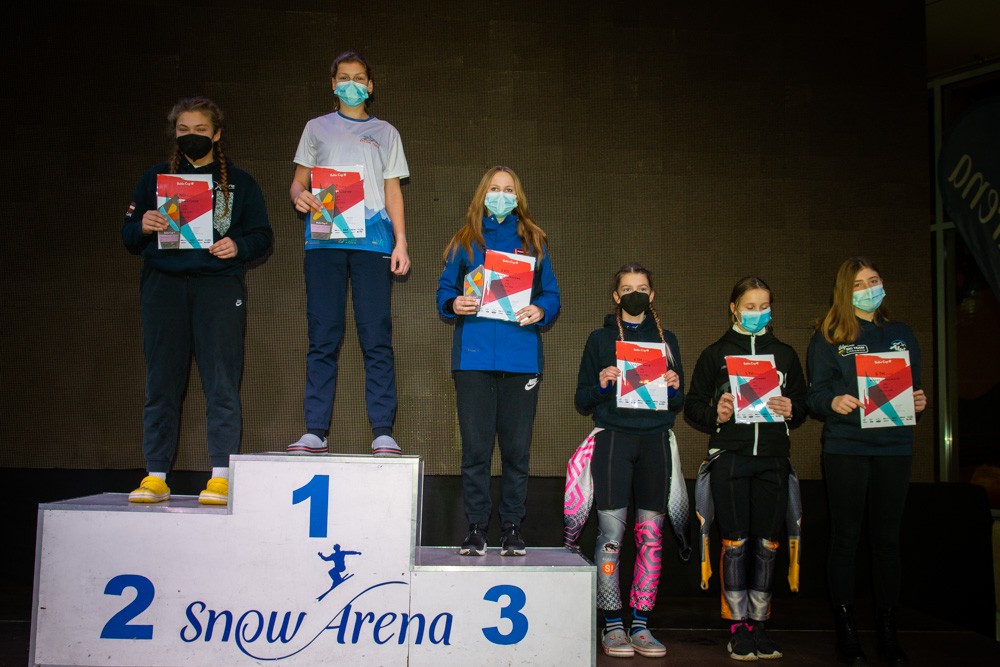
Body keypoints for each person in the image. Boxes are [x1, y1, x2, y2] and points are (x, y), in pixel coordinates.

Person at [121, 96, 273, 506]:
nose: (192, 136)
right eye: (184, 130)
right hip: (163, 288)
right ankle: (156, 475)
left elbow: (262, 236)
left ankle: (220, 476)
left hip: (218, 288)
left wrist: (237, 246)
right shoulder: (154, 178)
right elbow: (128, 235)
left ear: (216, 134)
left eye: (200, 130)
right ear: (175, 133)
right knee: (161, 383)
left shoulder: (240, 182)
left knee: (222, 381)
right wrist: (144, 225)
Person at [288, 50, 410, 456]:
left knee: (376, 336)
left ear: (370, 86)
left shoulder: (386, 132)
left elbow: (392, 190)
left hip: (373, 242)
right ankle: (315, 431)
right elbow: (298, 183)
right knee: (323, 335)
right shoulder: (316, 128)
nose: (351, 84)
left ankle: (382, 431)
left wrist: (401, 241)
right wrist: (300, 196)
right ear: (333, 84)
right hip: (324, 242)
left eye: (359, 78)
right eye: (344, 77)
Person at [806, 257, 927, 666]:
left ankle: (888, 632)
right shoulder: (829, 337)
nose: (869, 289)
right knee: (845, 538)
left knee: (887, 541)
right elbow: (815, 395)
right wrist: (833, 400)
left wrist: (918, 400)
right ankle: (847, 631)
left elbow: (914, 389)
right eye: (859, 284)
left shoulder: (901, 334)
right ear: (845, 290)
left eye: (874, 280)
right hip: (847, 447)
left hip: (895, 446)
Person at [436, 165, 560, 557]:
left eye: (508, 190)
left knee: (516, 452)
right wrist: (454, 302)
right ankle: (476, 528)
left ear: (518, 197)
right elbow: (444, 291)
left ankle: (512, 529)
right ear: (483, 195)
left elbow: (551, 295)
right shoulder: (465, 241)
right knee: (475, 450)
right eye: (495, 189)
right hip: (473, 359)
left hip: (521, 360)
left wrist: (541, 309)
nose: (501, 196)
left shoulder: (534, 241)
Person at [685, 277, 808, 661]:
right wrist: (716, 414)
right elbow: (692, 406)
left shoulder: (785, 355)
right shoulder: (715, 354)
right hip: (731, 457)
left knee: (768, 545)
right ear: (734, 308)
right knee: (735, 544)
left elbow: (803, 405)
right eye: (750, 307)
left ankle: (760, 624)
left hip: (773, 459)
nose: (757, 313)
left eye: (763, 307)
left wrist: (792, 408)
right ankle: (738, 627)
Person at [574, 263, 683, 659]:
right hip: (614, 441)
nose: (634, 294)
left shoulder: (667, 341)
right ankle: (612, 623)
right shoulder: (600, 339)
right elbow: (582, 399)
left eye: (642, 287)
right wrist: (603, 383)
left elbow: (679, 401)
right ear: (616, 296)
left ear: (651, 295)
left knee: (651, 538)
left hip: (655, 441)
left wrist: (673, 386)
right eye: (626, 288)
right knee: (610, 537)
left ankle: (640, 623)